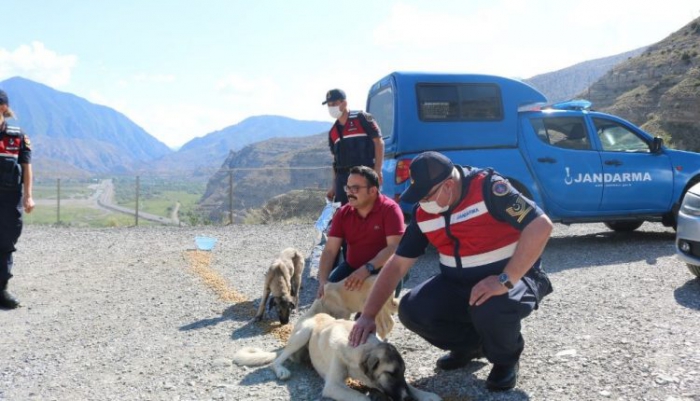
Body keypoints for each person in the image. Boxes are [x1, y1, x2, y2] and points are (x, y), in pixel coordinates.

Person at [349, 151, 554, 392]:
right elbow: (397, 264)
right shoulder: (424, 212)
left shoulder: (490, 188)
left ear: (448, 185)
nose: (423, 202)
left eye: (427, 195)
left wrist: (504, 279)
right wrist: (368, 315)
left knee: (491, 306)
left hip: (512, 275)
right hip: (457, 281)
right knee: (412, 309)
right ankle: (471, 346)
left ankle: (505, 359)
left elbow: (540, 226)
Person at [316, 166, 404, 298]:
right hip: (352, 268)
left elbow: (393, 247)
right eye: (348, 188)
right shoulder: (342, 214)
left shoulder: (390, 210)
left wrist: (367, 269)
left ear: (373, 190)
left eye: (355, 188)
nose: (349, 193)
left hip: (384, 269)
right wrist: (323, 281)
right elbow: (329, 251)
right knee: (326, 299)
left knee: (370, 313)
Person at [0, 89, 35, 310]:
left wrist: (29, 196)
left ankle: (1, 290)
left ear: (2, 107)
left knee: (5, 243)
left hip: (9, 198)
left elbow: (26, 168)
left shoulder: (17, 136)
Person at [322, 88, 384, 205]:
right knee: (343, 214)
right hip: (343, 181)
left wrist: (378, 170)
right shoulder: (333, 132)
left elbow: (378, 142)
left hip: (364, 175)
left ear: (344, 103)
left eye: (334, 104)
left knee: (367, 210)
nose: (331, 108)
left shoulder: (362, 118)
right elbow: (335, 162)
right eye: (329, 105)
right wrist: (334, 187)